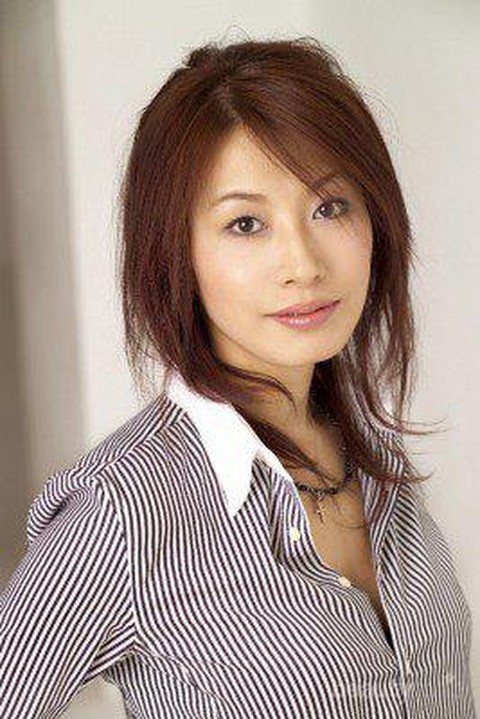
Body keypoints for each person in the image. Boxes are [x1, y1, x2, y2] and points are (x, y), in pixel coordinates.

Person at [0, 34, 476, 719]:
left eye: (330, 207)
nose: (303, 263)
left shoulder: (379, 464)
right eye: (246, 223)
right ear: (176, 253)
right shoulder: (125, 511)